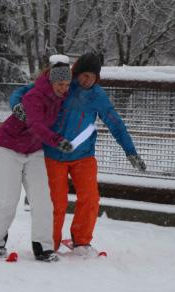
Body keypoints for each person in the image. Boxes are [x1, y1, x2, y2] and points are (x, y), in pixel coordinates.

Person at [10, 52, 146, 256]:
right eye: (83, 75)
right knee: (56, 201)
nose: (86, 79)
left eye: (91, 76)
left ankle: (82, 241)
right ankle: (50, 244)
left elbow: (115, 123)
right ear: (76, 73)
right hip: (53, 154)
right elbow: (24, 92)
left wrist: (130, 151)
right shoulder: (62, 84)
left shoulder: (98, 96)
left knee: (90, 198)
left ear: (97, 78)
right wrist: (17, 107)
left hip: (84, 155)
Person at [0, 56, 74, 263]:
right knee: (8, 200)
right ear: (51, 81)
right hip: (8, 147)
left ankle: (43, 247)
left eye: (67, 84)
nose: (64, 88)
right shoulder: (34, 96)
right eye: (61, 84)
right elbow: (36, 125)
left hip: (34, 151)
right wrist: (57, 140)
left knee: (43, 201)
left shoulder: (60, 98)